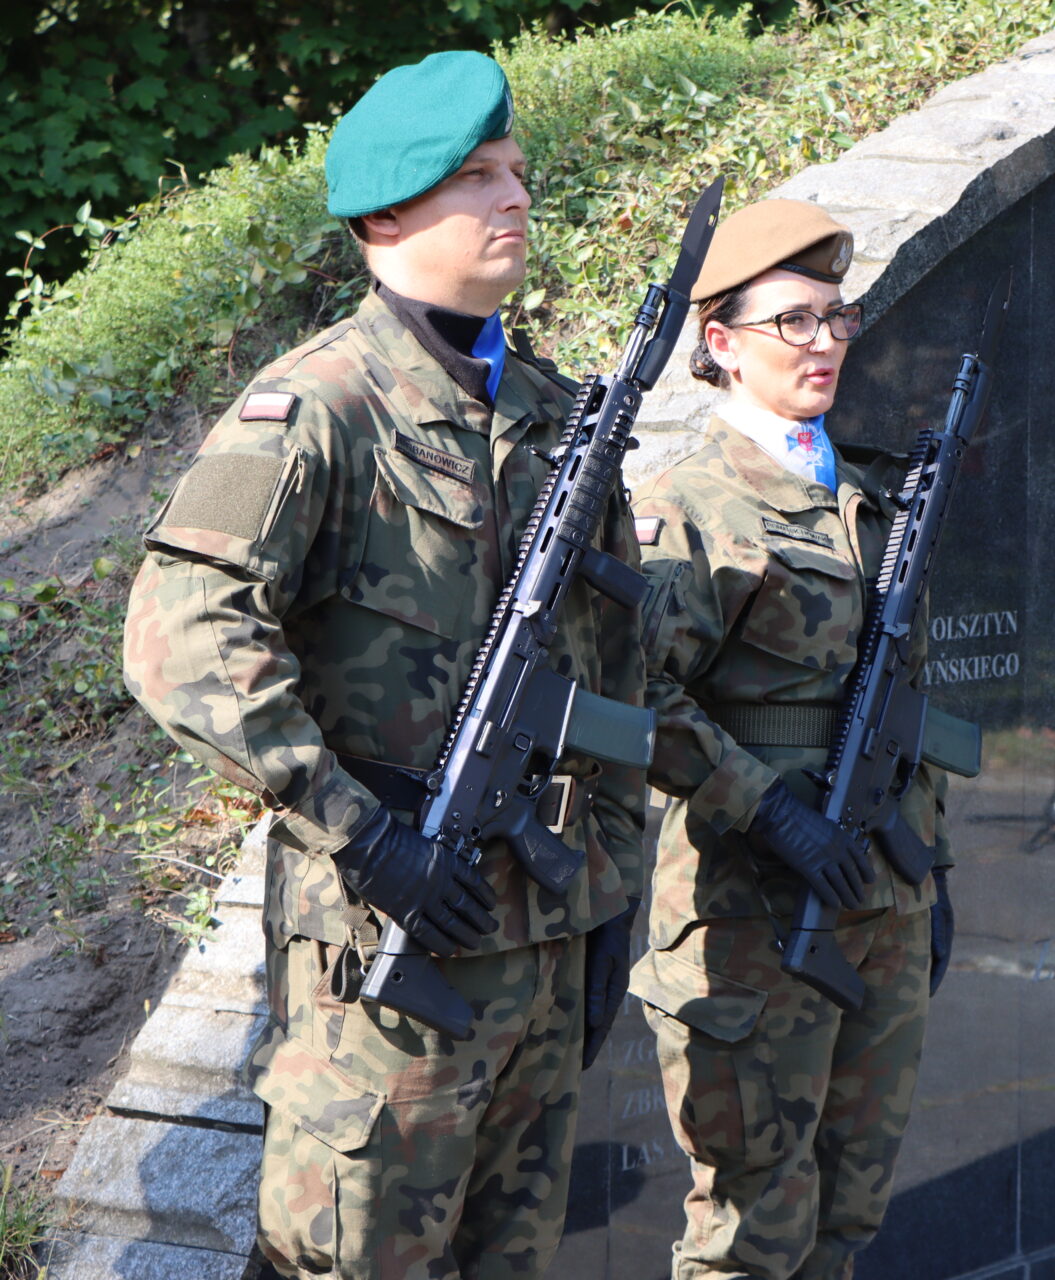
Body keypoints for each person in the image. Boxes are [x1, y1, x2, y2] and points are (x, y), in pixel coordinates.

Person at [121, 51, 650, 1279]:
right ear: (386, 217)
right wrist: (360, 833)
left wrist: (613, 883)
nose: (514, 196)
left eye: (516, 170)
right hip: (383, 961)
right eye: (477, 177)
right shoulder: (317, 409)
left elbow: (617, 667)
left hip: (543, 940)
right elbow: (180, 636)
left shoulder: (555, 413)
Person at [627, 198, 957, 1279]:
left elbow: (904, 701)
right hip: (755, 916)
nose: (825, 342)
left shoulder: (863, 496)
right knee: (752, 1229)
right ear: (721, 343)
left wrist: (934, 867)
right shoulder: (689, 506)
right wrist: (766, 806)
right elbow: (636, 691)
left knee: (848, 1213)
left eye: (836, 317)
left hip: (882, 896)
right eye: (793, 322)